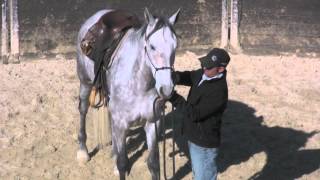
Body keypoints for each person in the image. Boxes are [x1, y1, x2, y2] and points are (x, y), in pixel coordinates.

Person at [168, 48, 230, 180]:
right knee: (198, 173)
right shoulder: (205, 73)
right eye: (203, 64)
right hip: (195, 137)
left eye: (208, 67)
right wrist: (176, 76)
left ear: (220, 69)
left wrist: (173, 97)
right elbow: (191, 76)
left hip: (204, 144)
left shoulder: (219, 92)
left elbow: (194, 113)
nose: (204, 68)